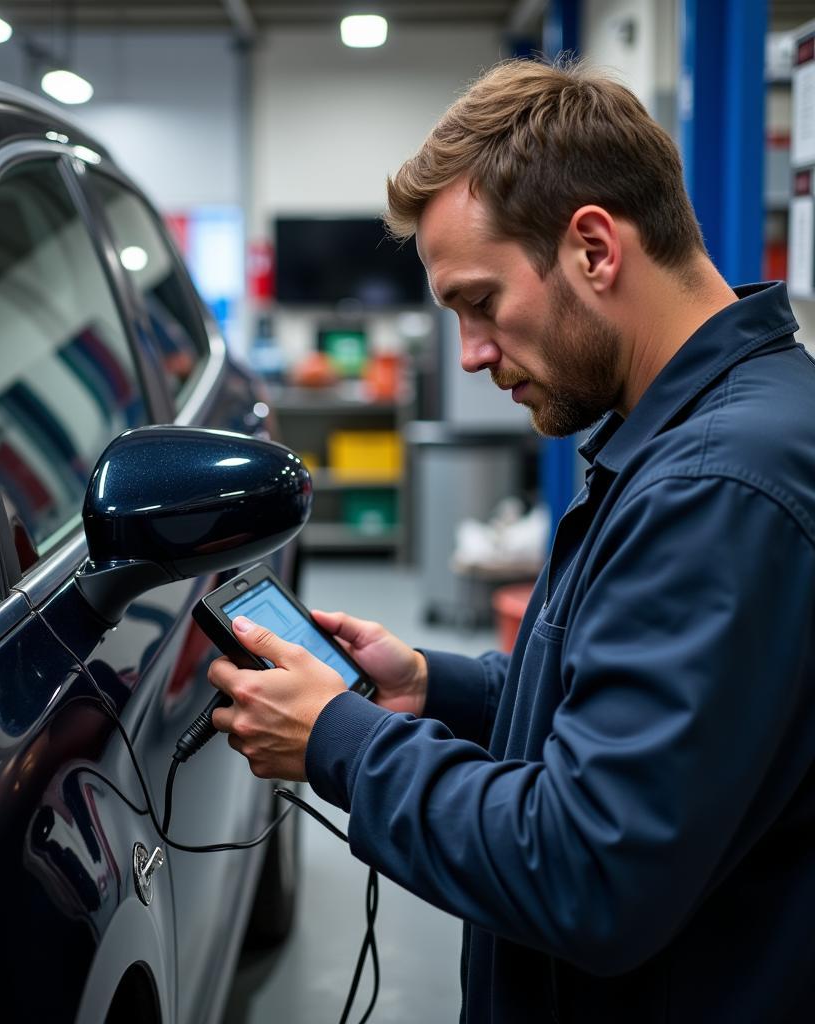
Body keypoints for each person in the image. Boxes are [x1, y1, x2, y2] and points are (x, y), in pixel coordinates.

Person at [209, 58, 815, 1021]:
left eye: (481, 303)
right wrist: (429, 687)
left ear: (594, 249)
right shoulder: (705, 433)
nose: (474, 353)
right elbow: (616, 709)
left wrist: (340, 738)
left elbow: (589, 868)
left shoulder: (716, 489)